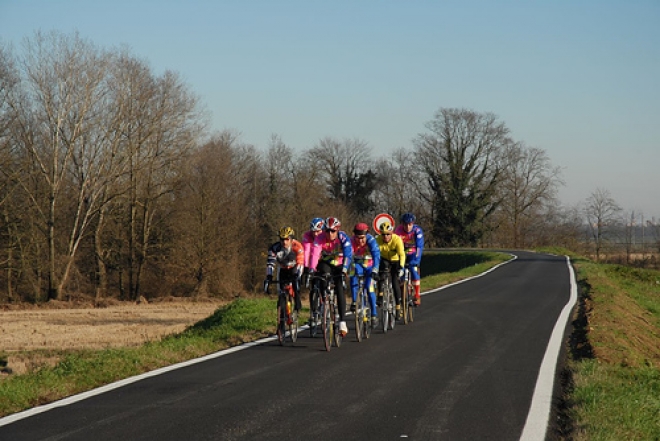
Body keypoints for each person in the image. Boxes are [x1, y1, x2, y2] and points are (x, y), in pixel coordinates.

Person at [308, 217, 352, 337]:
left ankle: (342, 321)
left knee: (339, 288)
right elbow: (315, 254)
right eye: (327, 231)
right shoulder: (319, 238)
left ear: (337, 230)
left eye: (332, 231)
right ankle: (324, 303)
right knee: (322, 275)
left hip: (340, 264)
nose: (329, 234)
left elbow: (348, 253)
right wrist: (311, 269)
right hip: (327, 263)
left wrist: (345, 269)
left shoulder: (343, 237)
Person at [264, 226, 304, 312]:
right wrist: (269, 276)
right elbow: (270, 263)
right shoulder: (274, 248)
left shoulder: (297, 246)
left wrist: (297, 275)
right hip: (282, 268)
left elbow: (300, 262)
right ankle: (282, 315)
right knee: (281, 291)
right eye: (282, 239)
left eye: (287, 239)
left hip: (294, 267)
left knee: (295, 284)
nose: (284, 242)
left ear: (291, 239)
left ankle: (297, 301)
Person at [349, 223, 380, 327]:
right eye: (358, 238)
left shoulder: (371, 241)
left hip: (370, 266)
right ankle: (354, 301)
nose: (360, 241)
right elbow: (348, 255)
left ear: (366, 235)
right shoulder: (351, 241)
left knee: (369, 287)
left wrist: (375, 270)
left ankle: (374, 314)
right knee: (352, 273)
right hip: (358, 265)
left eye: (362, 238)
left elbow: (376, 256)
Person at [375, 220, 406, 318]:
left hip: (395, 260)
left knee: (395, 281)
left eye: (388, 234)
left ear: (391, 233)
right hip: (384, 259)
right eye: (383, 234)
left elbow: (402, 254)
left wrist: (401, 267)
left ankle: (397, 307)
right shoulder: (378, 240)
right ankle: (380, 294)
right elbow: (374, 254)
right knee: (381, 274)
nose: (385, 237)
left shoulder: (397, 239)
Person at [395, 212, 424, 306]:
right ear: (402, 224)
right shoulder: (398, 231)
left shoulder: (417, 230)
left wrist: (417, 261)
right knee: (400, 273)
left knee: (414, 270)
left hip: (413, 253)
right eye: (405, 224)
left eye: (410, 224)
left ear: (413, 223)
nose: (407, 227)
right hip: (402, 253)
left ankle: (417, 295)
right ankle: (402, 294)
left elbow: (419, 247)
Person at [302, 217, 325, 324]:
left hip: (323, 261)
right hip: (311, 262)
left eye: (318, 231)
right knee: (313, 287)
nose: (315, 234)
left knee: (324, 284)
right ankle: (313, 310)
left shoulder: (325, 236)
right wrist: (306, 268)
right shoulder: (307, 236)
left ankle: (324, 303)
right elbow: (306, 252)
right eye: (313, 232)